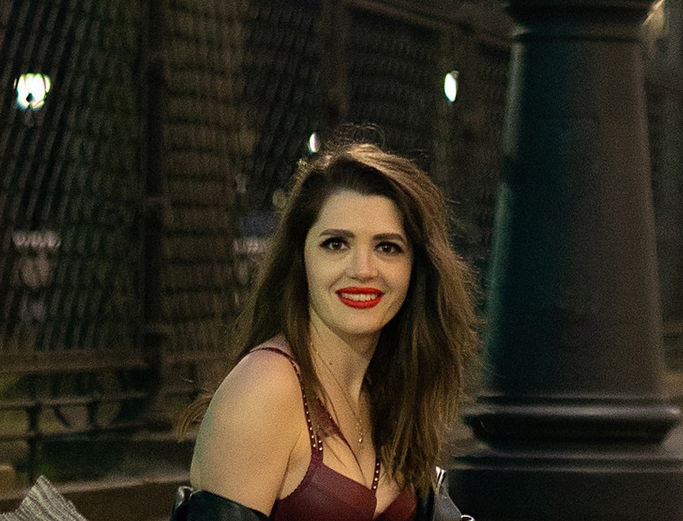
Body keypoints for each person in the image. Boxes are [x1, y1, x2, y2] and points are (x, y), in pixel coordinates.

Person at [178, 139, 478, 521]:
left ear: (415, 268)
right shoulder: (265, 387)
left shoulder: (393, 388)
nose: (363, 269)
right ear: (300, 259)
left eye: (387, 247)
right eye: (336, 244)